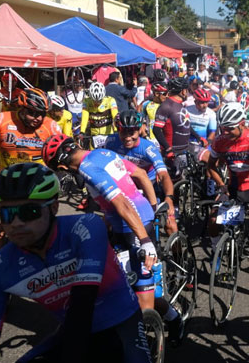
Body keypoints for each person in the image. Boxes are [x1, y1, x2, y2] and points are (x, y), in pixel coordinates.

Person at [0, 163, 151, 363]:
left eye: (29, 212)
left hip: (120, 317)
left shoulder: (86, 228)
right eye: (6, 214)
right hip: (72, 327)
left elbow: (82, 304)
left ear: (54, 207)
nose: (16, 223)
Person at [41, 134, 186, 345]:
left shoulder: (87, 169)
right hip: (127, 222)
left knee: (145, 304)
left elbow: (122, 203)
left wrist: (145, 239)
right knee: (117, 284)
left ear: (62, 168)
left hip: (135, 227)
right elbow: (142, 174)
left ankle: (172, 319)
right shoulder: (103, 152)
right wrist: (152, 208)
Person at [207, 102, 249, 288]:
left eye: (230, 128)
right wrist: (221, 185)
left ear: (242, 123)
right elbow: (210, 166)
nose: (226, 132)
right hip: (233, 190)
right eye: (223, 128)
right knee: (213, 222)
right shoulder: (220, 141)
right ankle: (216, 252)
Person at [0, 88, 60, 197]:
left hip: (37, 181)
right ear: (22, 109)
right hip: (7, 180)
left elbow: (59, 156)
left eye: (42, 114)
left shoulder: (51, 126)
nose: (38, 118)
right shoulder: (1, 120)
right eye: (33, 113)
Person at [105, 110, 177, 235]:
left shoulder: (148, 148)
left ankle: (178, 253)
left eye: (131, 132)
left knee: (171, 226)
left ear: (139, 130)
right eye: (123, 132)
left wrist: (169, 198)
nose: (127, 137)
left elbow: (164, 175)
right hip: (125, 187)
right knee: (106, 223)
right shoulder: (111, 142)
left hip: (150, 187)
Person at [153, 77, 205, 178]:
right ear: (183, 91)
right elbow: (156, 130)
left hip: (186, 147)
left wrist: (198, 137)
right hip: (174, 151)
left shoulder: (180, 105)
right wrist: (168, 149)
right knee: (180, 180)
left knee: (208, 157)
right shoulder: (166, 106)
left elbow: (185, 125)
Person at [80, 81, 118, 149]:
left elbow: (115, 116)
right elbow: (84, 118)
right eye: (94, 100)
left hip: (108, 135)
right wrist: (82, 131)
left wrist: (116, 130)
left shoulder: (110, 100)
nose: (97, 103)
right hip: (94, 136)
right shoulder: (86, 101)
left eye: (99, 100)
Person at [186, 88, 216, 161]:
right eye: (202, 102)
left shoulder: (211, 113)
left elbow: (212, 132)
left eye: (207, 102)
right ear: (195, 101)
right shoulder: (187, 110)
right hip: (188, 142)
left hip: (204, 143)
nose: (205, 105)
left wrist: (208, 142)